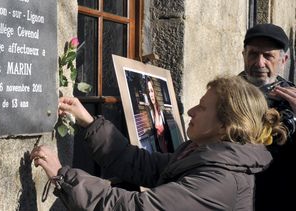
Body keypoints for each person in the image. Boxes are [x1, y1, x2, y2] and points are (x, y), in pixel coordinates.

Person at [31, 76, 286, 210]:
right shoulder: (205, 153)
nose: (191, 111)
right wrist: (88, 122)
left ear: (225, 126)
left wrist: (64, 177)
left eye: (202, 107)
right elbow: (143, 165)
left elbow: (137, 208)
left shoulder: (220, 180)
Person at [239, 23, 296, 211]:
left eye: (268, 56)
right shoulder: (224, 93)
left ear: (284, 59)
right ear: (244, 55)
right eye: (253, 54)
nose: (259, 63)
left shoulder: (292, 99)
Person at [144, 77, 173, 153]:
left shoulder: (162, 111)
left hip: (170, 151)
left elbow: (169, 134)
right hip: (160, 154)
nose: (151, 95)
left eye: (151, 91)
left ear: (155, 92)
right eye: (148, 92)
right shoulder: (149, 113)